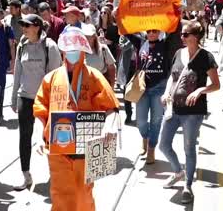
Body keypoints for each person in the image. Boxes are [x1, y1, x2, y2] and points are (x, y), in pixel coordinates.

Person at [32, 27, 119, 211]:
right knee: (59, 193)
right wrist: (37, 134)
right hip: (58, 148)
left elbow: (111, 108)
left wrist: (109, 127)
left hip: (86, 148)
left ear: (83, 51)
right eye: (68, 49)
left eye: (76, 50)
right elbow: (40, 111)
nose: (71, 54)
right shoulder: (51, 78)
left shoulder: (94, 77)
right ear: (62, 51)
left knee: (83, 195)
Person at [159, 21, 220, 204]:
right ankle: (178, 171)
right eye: (182, 34)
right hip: (173, 109)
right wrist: (166, 93)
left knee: (188, 148)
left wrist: (199, 90)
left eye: (185, 34)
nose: (182, 37)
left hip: (194, 112)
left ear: (195, 37)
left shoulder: (206, 57)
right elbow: (173, 77)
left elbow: (216, 85)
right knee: (164, 145)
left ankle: (188, 185)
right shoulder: (179, 53)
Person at [11, 13, 62, 191]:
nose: (23, 29)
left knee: (49, 138)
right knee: (24, 137)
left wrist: (57, 101)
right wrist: (13, 97)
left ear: (37, 27)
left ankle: (54, 174)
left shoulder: (50, 46)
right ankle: (26, 176)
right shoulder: (22, 46)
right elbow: (17, 71)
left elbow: (58, 76)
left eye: (27, 25)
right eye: (22, 25)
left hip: (46, 100)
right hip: (25, 97)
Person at [123, 24, 182, 164]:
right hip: (142, 89)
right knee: (141, 122)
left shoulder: (165, 45)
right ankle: (146, 137)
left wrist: (176, 14)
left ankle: (151, 148)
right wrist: (120, 14)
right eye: (148, 31)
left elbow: (175, 30)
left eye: (154, 31)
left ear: (159, 32)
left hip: (159, 87)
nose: (151, 33)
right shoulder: (141, 43)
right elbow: (126, 31)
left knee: (156, 121)